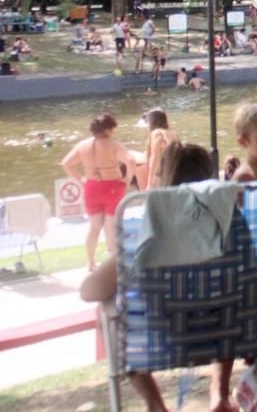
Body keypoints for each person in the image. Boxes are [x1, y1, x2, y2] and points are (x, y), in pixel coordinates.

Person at [80, 143, 229, 412]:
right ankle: (220, 394)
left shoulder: (146, 231)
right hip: (224, 333)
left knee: (104, 312)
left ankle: (155, 404)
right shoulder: (230, 230)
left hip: (159, 337)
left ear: (163, 181)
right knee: (233, 302)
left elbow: (89, 290)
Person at [61, 113, 136, 271]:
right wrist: (127, 179)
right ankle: (113, 262)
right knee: (111, 225)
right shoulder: (114, 145)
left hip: (91, 187)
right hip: (113, 187)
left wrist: (79, 180)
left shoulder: (83, 145)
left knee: (94, 227)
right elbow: (130, 161)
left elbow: (66, 164)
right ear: (108, 130)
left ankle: (90, 261)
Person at [143, 108, 182, 189]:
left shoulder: (156, 133)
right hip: (175, 170)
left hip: (162, 173)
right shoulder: (174, 133)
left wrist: (149, 182)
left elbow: (155, 157)